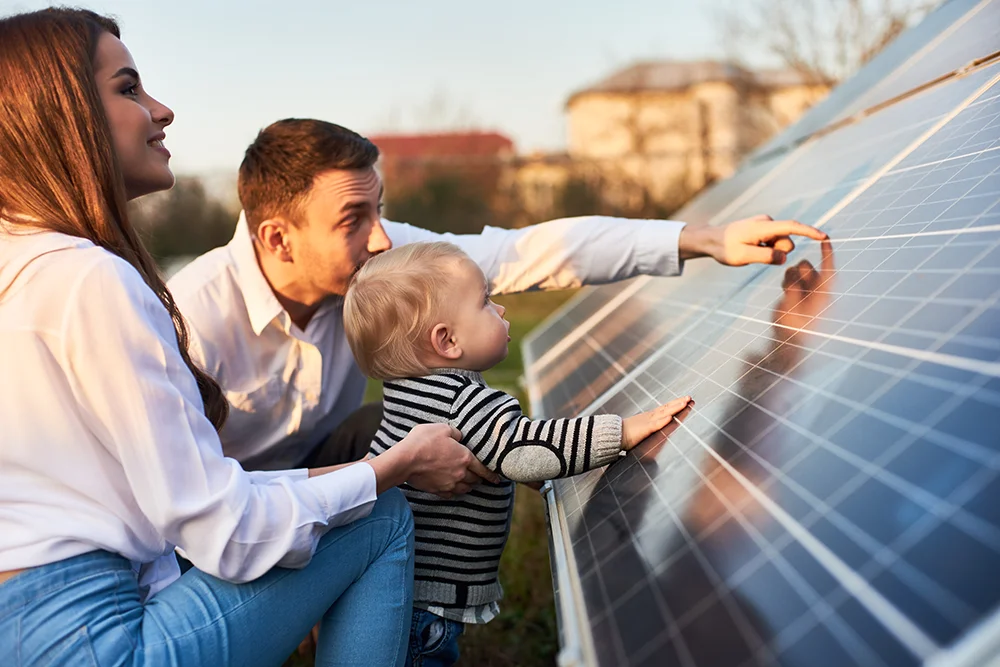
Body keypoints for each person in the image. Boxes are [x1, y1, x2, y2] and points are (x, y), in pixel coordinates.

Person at [0, 9, 497, 667]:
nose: (162, 109)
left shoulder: (21, 264)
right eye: (128, 89)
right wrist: (391, 468)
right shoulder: (91, 279)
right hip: (95, 641)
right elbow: (224, 532)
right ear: (61, 117)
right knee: (379, 514)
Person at [168, 118, 829, 474]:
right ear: (279, 239)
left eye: (380, 211)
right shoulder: (190, 320)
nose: (380, 242)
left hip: (326, 469)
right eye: (353, 221)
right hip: (225, 516)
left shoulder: (380, 258)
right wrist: (382, 476)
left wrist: (704, 238)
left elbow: (525, 252)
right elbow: (182, 502)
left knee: (432, 424)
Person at [342, 241, 695, 666]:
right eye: (486, 301)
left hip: (396, 587)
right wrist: (621, 432)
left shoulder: (405, 395)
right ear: (447, 341)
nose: (502, 310)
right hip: (425, 606)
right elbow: (524, 449)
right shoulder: (463, 401)